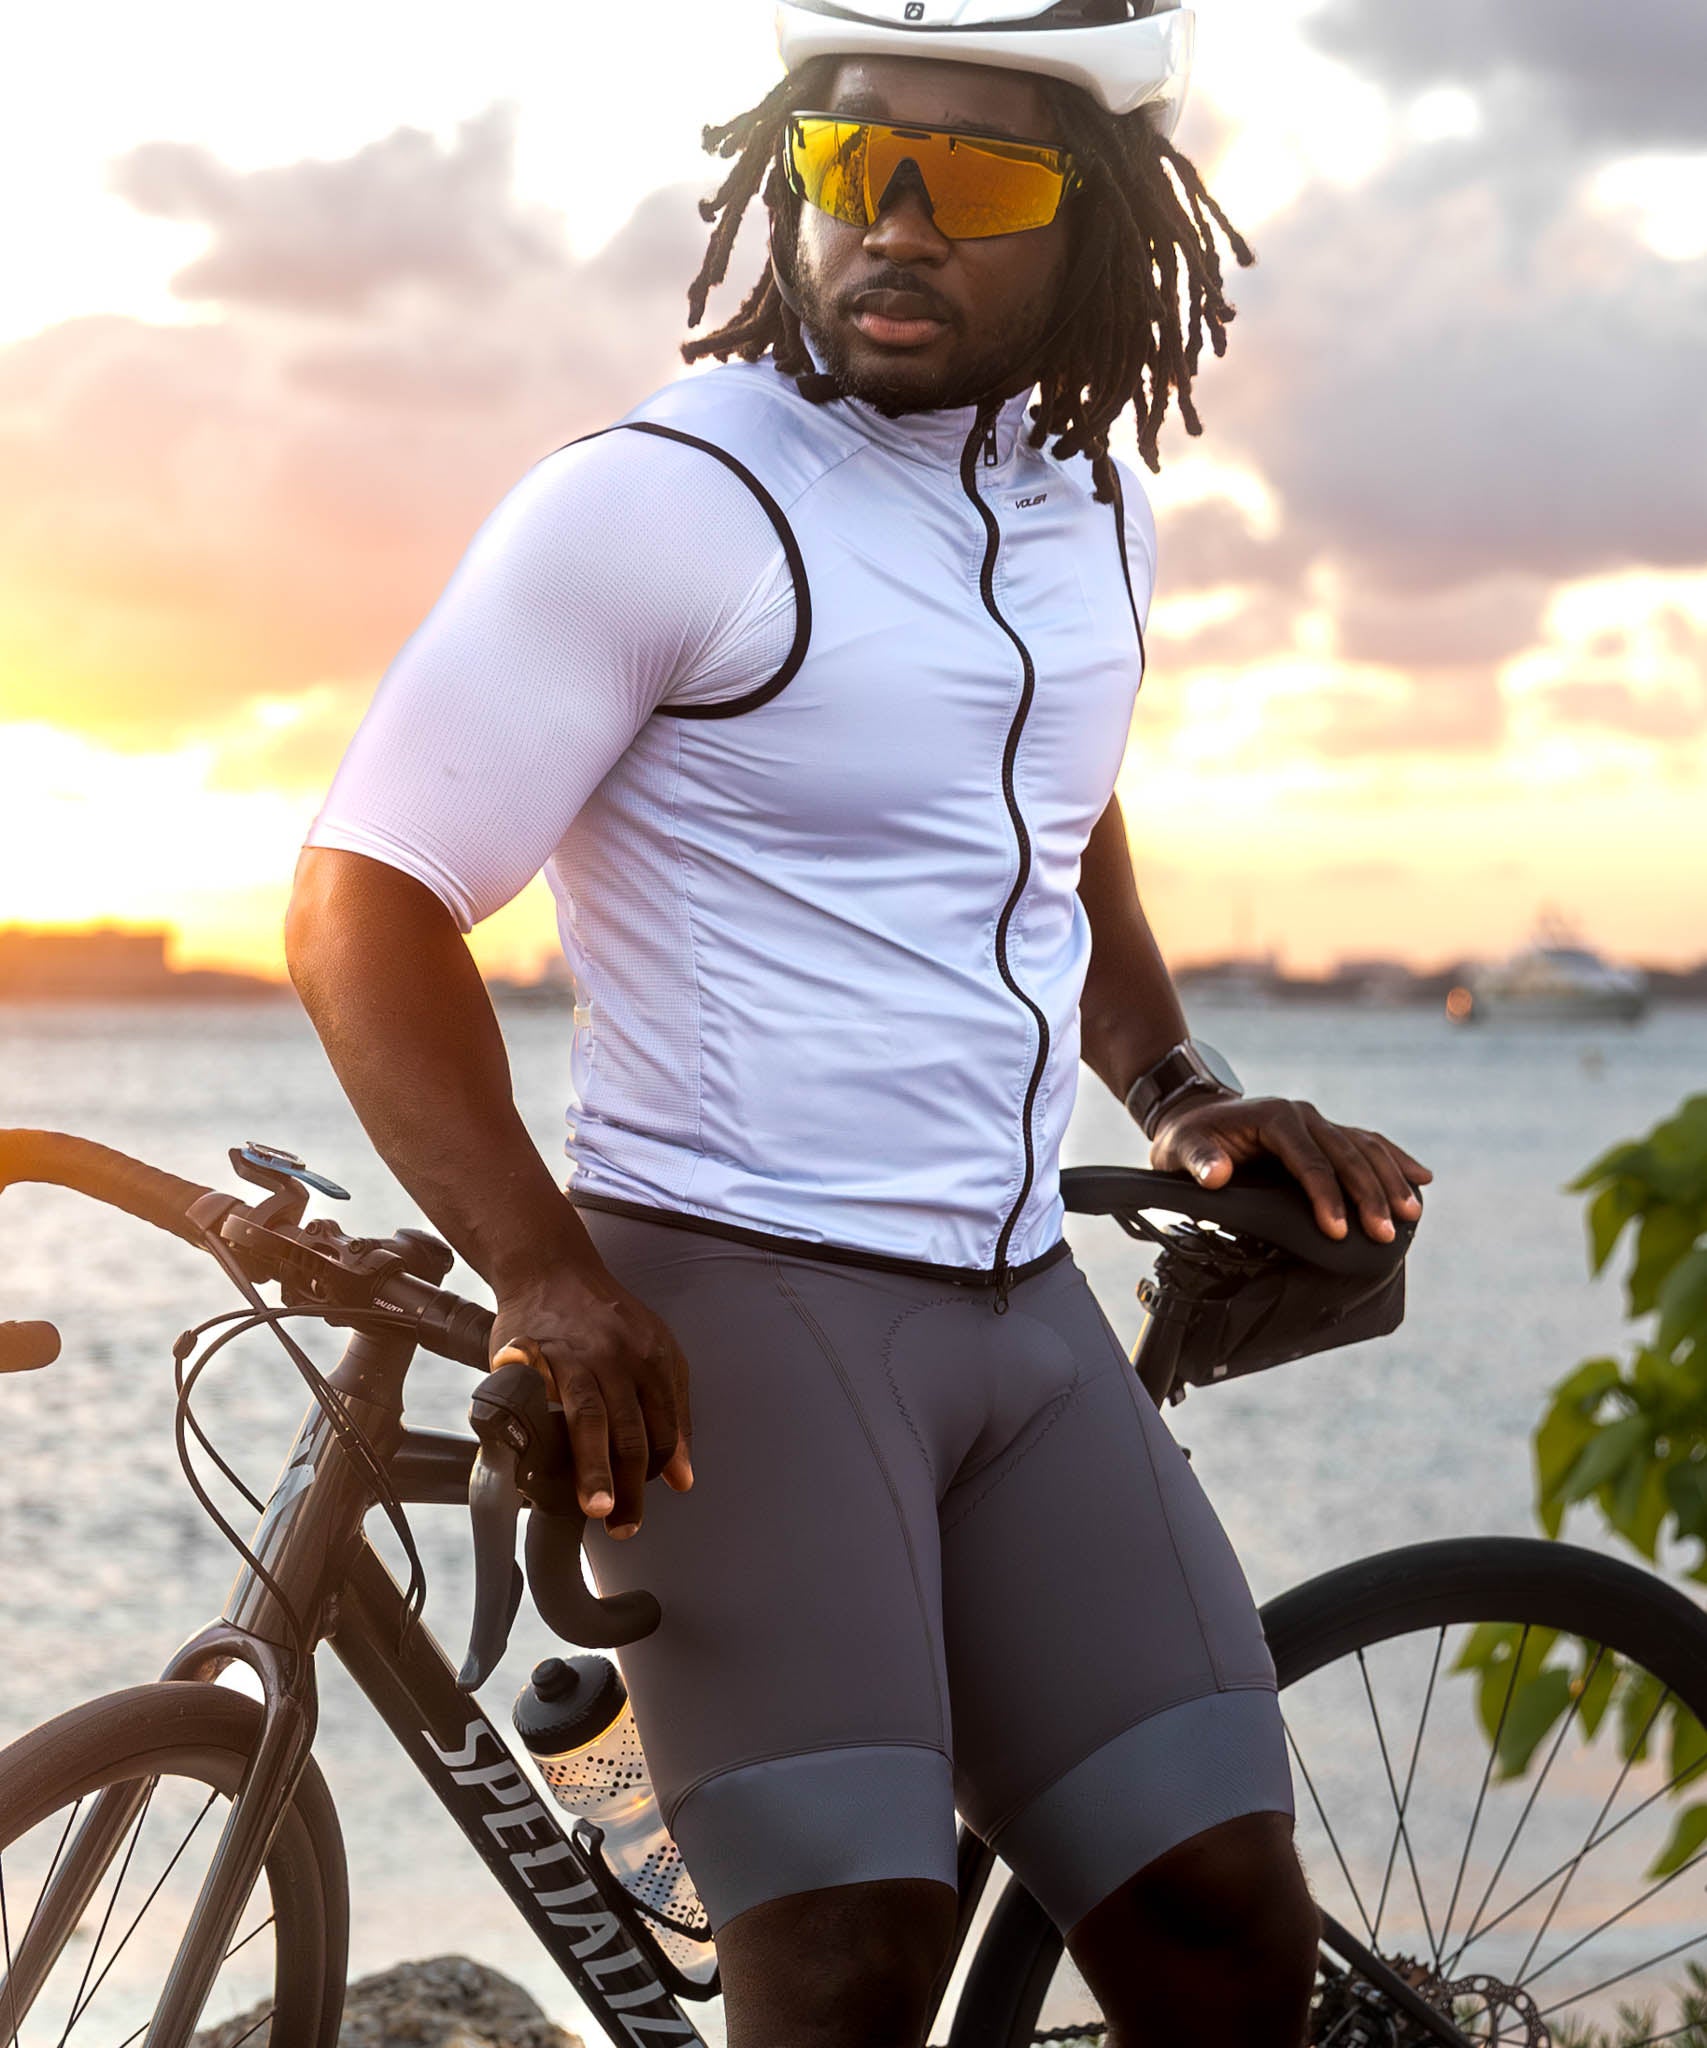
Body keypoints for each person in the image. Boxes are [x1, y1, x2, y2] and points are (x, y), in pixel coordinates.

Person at [288, 4, 1431, 2041]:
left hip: (1013, 1313)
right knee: (843, 1971)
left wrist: (1178, 1086)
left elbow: (1044, 805)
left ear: (1097, 224)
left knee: (1215, 1919)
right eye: (846, 168)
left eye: (972, 179)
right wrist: (540, 1271)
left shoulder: (1092, 504)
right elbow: (363, 896)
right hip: (731, 1310)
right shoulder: (659, 503)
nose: (892, 224)